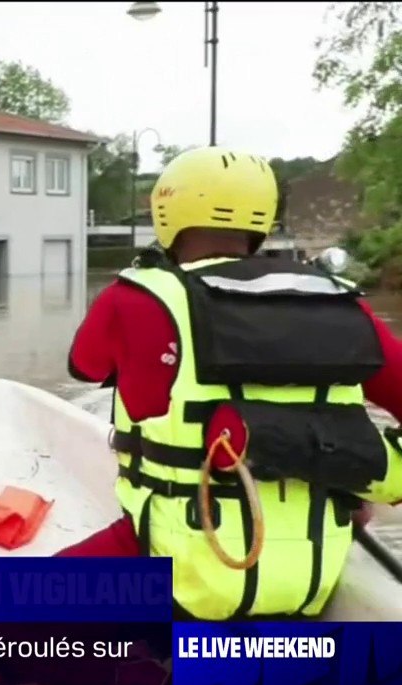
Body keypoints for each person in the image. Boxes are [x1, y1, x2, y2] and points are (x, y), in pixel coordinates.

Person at [63, 145, 402, 621]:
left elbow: (87, 365)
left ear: (166, 213)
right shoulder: (345, 304)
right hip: (311, 575)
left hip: (173, 568)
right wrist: (358, 479)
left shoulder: (135, 299)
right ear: (262, 221)